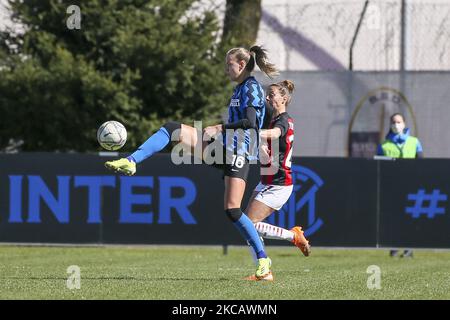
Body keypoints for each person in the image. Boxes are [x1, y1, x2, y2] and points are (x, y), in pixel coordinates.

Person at [105, 45, 278, 279]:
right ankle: (132, 160)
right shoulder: (240, 89)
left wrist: (221, 128)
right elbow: (263, 117)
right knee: (171, 129)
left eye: (229, 64)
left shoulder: (251, 88)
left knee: (232, 210)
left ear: (241, 65)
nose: (226, 69)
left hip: (238, 153)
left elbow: (249, 122)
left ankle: (263, 262)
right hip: (224, 149)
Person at [243, 80, 311, 281]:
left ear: (284, 98)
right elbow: (271, 145)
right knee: (246, 224)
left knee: (248, 224)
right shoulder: (274, 119)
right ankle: (263, 271)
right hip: (267, 179)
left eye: (271, 94)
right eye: (267, 94)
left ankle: (293, 237)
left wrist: (254, 134)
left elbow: (275, 134)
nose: (267, 98)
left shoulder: (283, 120)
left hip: (278, 183)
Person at [377, 113, 423, 258]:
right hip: (392, 186)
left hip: (411, 185)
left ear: (404, 123)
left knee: (409, 217)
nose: (396, 125)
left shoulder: (414, 142)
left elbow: (421, 163)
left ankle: (409, 248)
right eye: (394, 122)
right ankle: (394, 247)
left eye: (399, 122)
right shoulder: (383, 145)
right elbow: (378, 166)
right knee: (393, 218)